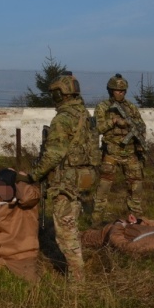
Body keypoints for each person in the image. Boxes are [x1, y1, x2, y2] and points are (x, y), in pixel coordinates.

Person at [23, 71, 100, 281]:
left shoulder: (63, 119)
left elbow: (53, 155)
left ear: (61, 93)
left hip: (65, 181)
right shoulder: (86, 117)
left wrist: (33, 176)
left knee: (66, 233)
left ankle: (77, 280)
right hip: (81, 177)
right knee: (71, 225)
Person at [93, 73, 147, 223]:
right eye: (117, 90)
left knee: (136, 186)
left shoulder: (131, 107)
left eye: (123, 91)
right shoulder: (103, 107)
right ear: (110, 91)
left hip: (130, 153)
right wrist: (114, 121)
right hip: (111, 152)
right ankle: (96, 221)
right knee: (104, 187)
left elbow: (142, 126)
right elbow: (97, 128)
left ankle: (135, 219)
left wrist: (135, 132)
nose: (120, 93)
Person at [81, 214, 154, 254]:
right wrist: (138, 221)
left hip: (108, 233)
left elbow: (117, 241)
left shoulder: (143, 246)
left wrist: (119, 225)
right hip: (129, 225)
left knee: (81, 238)